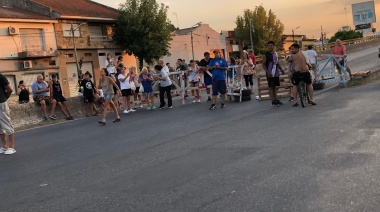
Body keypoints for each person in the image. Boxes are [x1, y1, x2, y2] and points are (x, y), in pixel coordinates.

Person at [261, 41, 285, 107]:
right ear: (267, 46)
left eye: (271, 45)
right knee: (271, 87)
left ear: (273, 46)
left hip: (276, 72)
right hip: (270, 73)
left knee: (276, 86)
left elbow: (277, 62)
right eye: (269, 45)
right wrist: (267, 72)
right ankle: (273, 100)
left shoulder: (275, 54)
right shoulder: (265, 55)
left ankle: (275, 99)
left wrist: (281, 70)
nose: (270, 47)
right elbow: (263, 64)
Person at [0, 73, 16, 155]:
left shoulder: (1, 77)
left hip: (1, 104)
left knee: (7, 124)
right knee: (0, 128)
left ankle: (12, 147)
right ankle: (5, 146)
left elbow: (9, 89)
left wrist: (4, 98)